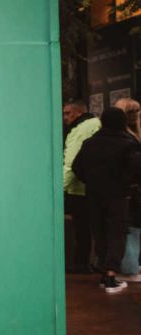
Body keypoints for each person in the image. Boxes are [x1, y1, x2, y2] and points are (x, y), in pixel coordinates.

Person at [73, 107, 141, 293]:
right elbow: (137, 169)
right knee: (116, 232)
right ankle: (111, 276)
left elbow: (76, 167)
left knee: (100, 231)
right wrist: (128, 183)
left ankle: (104, 273)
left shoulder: (89, 143)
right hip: (119, 195)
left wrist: (91, 181)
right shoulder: (128, 143)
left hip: (94, 194)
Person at [63, 99, 100, 273]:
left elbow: (71, 163)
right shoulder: (93, 124)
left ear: (78, 112)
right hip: (92, 186)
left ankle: (81, 264)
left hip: (81, 189)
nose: (64, 117)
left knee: (82, 229)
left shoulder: (82, 129)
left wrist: (60, 188)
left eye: (67, 113)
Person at [114, 98, 141, 276]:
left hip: (131, 190)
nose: (136, 116)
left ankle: (131, 267)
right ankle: (132, 266)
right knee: (134, 227)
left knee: (132, 228)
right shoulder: (131, 138)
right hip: (133, 190)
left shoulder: (128, 137)